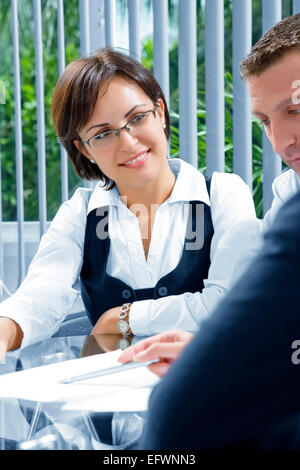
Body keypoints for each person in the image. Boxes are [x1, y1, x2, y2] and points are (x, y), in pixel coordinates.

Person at [0, 48, 259, 360]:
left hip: (207, 396)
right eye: (103, 134)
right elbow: (41, 296)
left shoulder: (223, 194)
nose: (128, 142)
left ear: (160, 112)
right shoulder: (81, 214)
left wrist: (124, 317)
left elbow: (232, 304)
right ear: (84, 149)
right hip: (107, 402)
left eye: (137, 118)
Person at [118, 12, 300, 449]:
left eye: (296, 110)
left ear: (161, 117)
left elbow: (182, 417)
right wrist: (236, 356)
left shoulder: (227, 194)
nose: (280, 143)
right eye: (265, 122)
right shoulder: (289, 192)